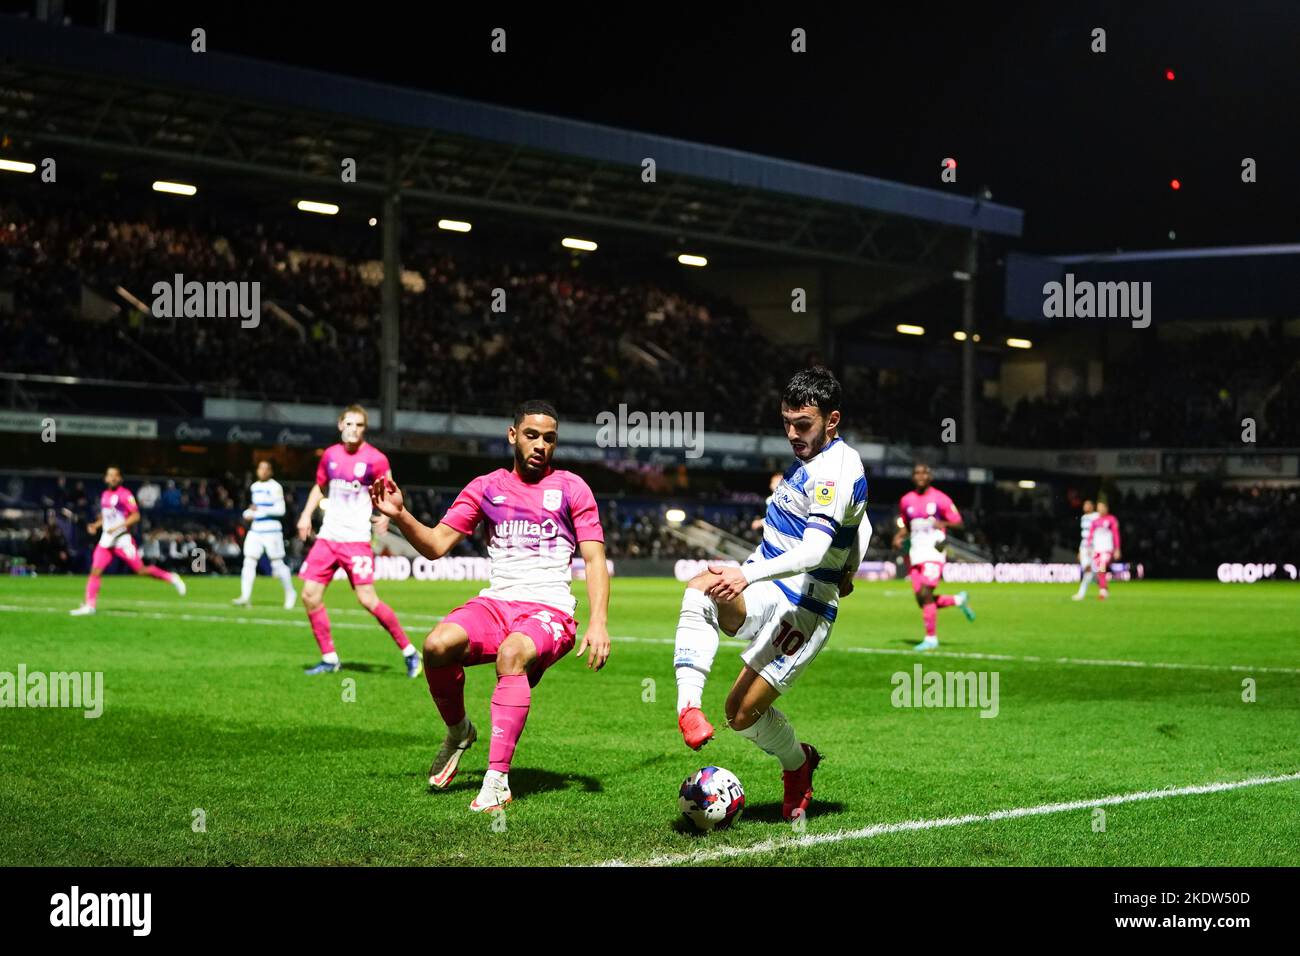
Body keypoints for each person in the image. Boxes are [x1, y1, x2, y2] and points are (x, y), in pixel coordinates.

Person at [370, 400, 610, 812]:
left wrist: (599, 622)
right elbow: (435, 546)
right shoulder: (486, 487)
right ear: (512, 435)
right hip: (497, 603)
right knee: (436, 646)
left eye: (549, 439)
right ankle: (459, 731)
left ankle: (497, 779)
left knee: (511, 654)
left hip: (549, 609)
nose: (540, 446)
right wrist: (401, 515)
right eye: (532, 435)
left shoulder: (573, 488)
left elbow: (593, 559)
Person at [672, 367, 870, 821]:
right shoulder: (810, 463)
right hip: (769, 583)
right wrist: (853, 566)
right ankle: (688, 710)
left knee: (740, 715)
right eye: (786, 423)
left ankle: (798, 764)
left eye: (803, 425)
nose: (792, 434)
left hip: (806, 605)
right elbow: (865, 521)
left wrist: (748, 572)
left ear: (832, 420)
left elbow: (817, 547)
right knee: (702, 589)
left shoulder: (839, 470)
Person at [296, 404, 419, 678]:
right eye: (349, 424)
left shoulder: (376, 459)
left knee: (367, 599)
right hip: (328, 537)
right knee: (309, 595)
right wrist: (306, 515)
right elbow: (320, 485)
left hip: (356, 539)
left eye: (359, 425)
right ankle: (329, 659)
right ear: (341, 425)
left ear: (364, 429)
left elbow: (390, 490)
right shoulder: (329, 455)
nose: (353, 429)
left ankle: (410, 652)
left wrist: (388, 516)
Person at [70, 466, 186, 616]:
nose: (111, 478)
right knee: (95, 570)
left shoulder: (125, 495)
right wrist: (96, 525)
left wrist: (118, 527)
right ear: (105, 478)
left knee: (141, 570)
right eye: (109, 475)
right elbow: (107, 516)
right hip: (106, 540)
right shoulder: (105, 495)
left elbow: (135, 516)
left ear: (119, 478)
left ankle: (171, 578)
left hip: (122, 540)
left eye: (114, 475)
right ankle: (90, 606)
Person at [892, 462, 975, 651]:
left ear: (930, 476)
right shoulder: (906, 500)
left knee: (926, 594)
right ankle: (958, 600)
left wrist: (943, 523)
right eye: (917, 473)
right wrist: (898, 537)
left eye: (924, 473)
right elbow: (907, 526)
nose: (920, 476)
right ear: (913, 477)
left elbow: (959, 523)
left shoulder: (941, 499)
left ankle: (931, 638)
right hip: (915, 553)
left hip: (934, 552)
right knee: (922, 601)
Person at [232, 460, 296, 609]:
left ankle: (290, 592)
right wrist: (248, 513)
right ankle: (245, 597)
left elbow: (280, 510)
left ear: (271, 471)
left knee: (277, 563)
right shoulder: (254, 487)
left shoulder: (275, 487)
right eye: (260, 468)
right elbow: (253, 509)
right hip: (256, 529)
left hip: (271, 530)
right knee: (249, 560)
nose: (262, 471)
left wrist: (259, 510)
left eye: (265, 469)